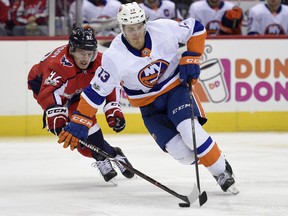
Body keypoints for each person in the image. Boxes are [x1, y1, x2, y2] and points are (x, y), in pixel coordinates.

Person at [57, 2, 239, 194]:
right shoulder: (114, 56)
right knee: (183, 155)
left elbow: (196, 28)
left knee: (188, 128)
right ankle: (215, 158)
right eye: (129, 28)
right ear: (121, 28)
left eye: (138, 27)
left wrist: (192, 55)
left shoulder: (163, 29)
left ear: (145, 23)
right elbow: (96, 91)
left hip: (175, 89)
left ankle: (221, 172)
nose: (135, 33)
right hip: (149, 106)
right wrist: (81, 119)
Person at [27, 27, 134, 182]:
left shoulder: (100, 61)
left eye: (89, 53)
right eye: (81, 53)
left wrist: (112, 107)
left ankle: (101, 156)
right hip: (48, 88)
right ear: (72, 50)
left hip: (76, 88)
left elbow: (110, 81)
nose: (85, 58)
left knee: (84, 122)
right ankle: (113, 153)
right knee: (80, 145)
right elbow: (48, 93)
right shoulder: (58, 65)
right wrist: (54, 112)